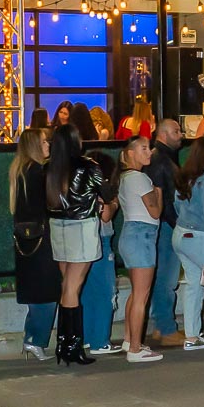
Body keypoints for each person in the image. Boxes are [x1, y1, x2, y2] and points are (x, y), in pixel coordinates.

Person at [46, 124, 112, 366]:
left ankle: (64, 345)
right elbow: (107, 192)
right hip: (82, 226)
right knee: (73, 287)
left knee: (67, 286)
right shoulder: (88, 166)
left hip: (58, 225)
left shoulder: (49, 167)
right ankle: (72, 346)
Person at [9, 129, 63, 360]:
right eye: (43, 142)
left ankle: (31, 338)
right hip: (43, 238)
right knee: (47, 292)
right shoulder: (37, 172)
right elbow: (50, 204)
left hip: (25, 239)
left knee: (36, 292)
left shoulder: (20, 170)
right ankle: (35, 340)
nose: (48, 145)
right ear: (34, 146)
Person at [115, 137, 165, 363]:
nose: (149, 152)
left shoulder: (124, 178)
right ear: (130, 153)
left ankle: (129, 340)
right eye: (143, 148)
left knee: (136, 293)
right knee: (141, 296)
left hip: (130, 234)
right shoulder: (140, 178)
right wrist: (158, 193)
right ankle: (135, 349)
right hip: (142, 236)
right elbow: (155, 212)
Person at [173, 138, 204, 350]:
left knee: (194, 285)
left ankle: (192, 336)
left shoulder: (185, 177)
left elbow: (176, 206)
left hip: (181, 234)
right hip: (201, 237)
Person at [143, 119, 184, 349]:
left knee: (163, 278)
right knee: (166, 279)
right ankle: (166, 327)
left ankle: (162, 325)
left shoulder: (160, 158)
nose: (181, 134)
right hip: (166, 225)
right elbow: (165, 198)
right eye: (176, 131)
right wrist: (176, 222)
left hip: (162, 224)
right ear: (164, 134)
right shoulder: (162, 160)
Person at [81, 150, 122, 355]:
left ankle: (88, 337)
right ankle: (100, 340)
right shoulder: (101, 187)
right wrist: (114, 202)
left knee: (87, 292)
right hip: (101, 240)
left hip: (83, 240)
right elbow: (105, 214)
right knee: (106, 291)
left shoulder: (81, 185)